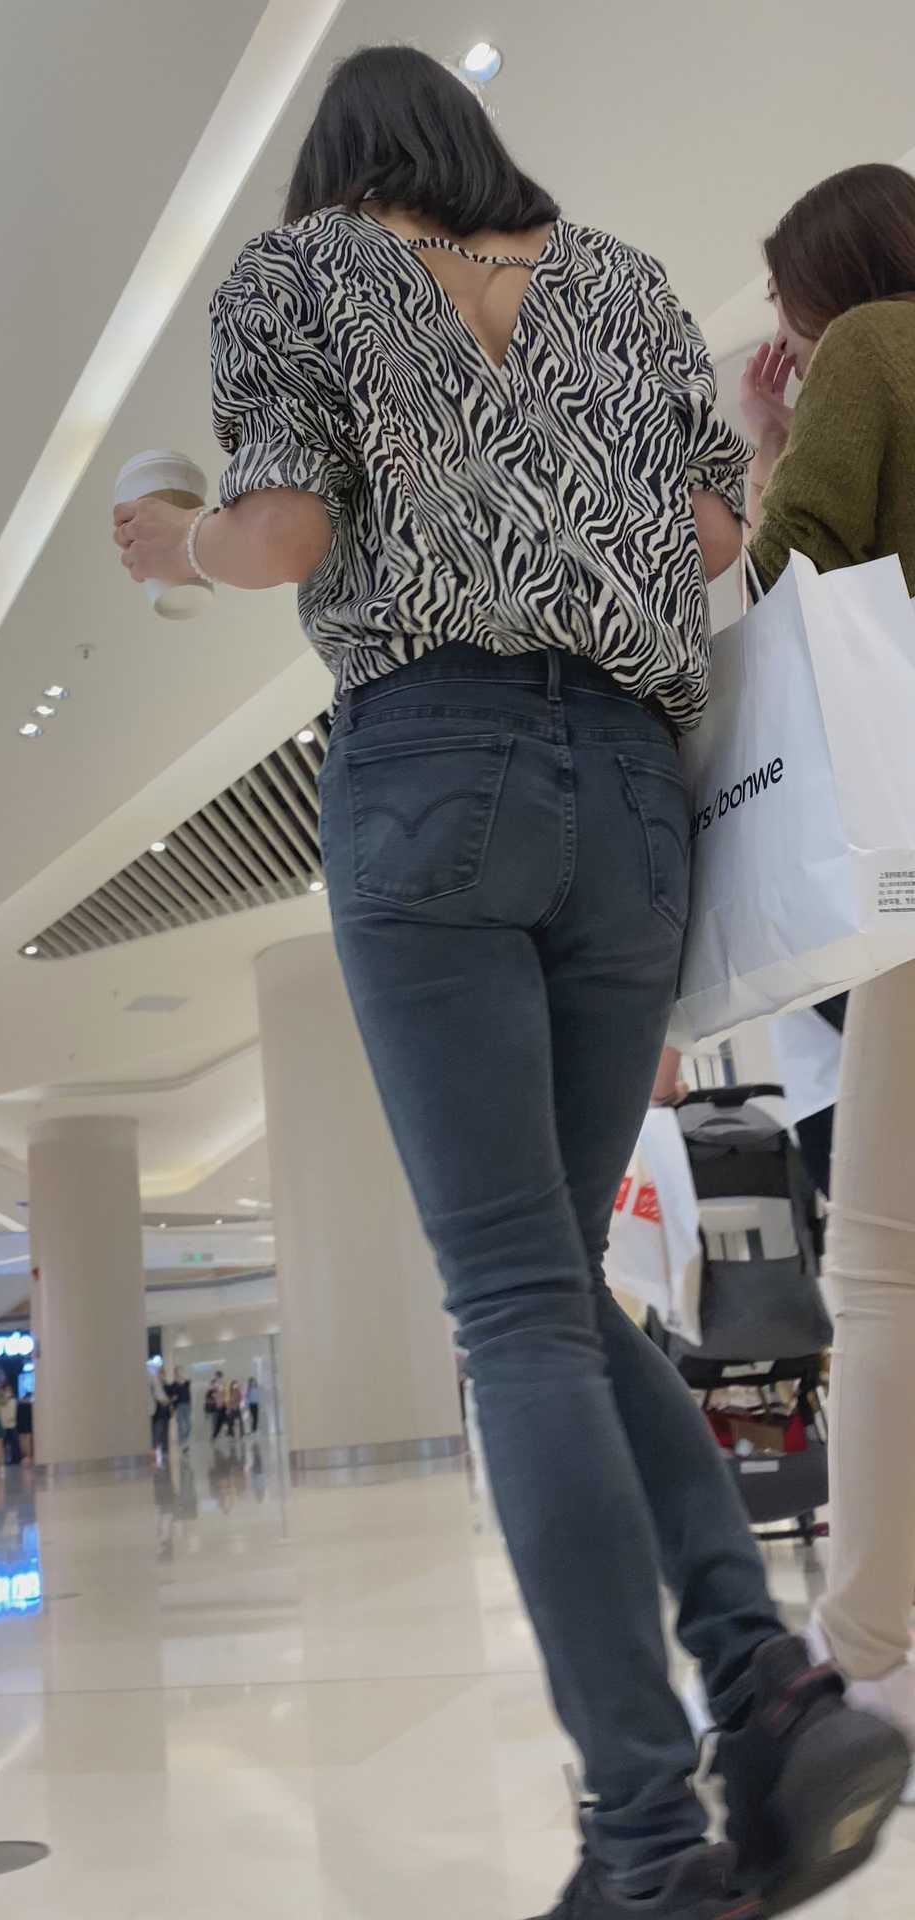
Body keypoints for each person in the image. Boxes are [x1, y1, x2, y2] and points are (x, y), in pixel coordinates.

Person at [113, 50, 908, 1916]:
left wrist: (180, 544)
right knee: (550, 1283)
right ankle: (765, 1690)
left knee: (512, 1314)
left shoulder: (300, 272)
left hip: (431, 775)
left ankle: (645, 1840)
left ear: (335, 168)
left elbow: (290, 530)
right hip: (633, 798)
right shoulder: (623, 282)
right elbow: (714, 539)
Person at [744, 160, 915, 1798]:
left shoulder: (876, 347)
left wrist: (772, 437)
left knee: (881, 1273)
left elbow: (788, 587)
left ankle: (864, 1660)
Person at [148, 1362, 171, 1463]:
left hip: (161, 1411)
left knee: (162, 1432)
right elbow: (160, 1396)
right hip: (157, 1411)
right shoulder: (154, 1379)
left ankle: (163, 1452)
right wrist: (166, 1400)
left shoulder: (165, 1384)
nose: (161, 1375)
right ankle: (156, 1452)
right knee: (157, 1432)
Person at [167, 1370, 192, 1450]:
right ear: (174, 1375)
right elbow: (170, 1396)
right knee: (180, 1425)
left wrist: (182, 1377)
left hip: (187, 1406)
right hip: (178, 1406)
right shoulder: (173, 1385)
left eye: (179, 1374)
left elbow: (188, 1380)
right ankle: (182, 1442)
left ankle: (184, 1439)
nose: (178, 1376)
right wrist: (172, 1399)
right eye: (176, 1374)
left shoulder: (186, 1383)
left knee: (189, 1425)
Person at [0, 1382, 19, 1465]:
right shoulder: (9, 1400)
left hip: (7, 1424)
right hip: (7, 1424)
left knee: (8, 1444)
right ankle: (13, 1459)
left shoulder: (9, 1399)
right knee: (10, 1444)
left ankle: (10, 1459)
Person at [16, 1391, 34, 1464]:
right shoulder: (30, 1405)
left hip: (20, 1426)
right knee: (28, 1441)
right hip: (28, 1425)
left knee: (22, 1441)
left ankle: (24, 1456)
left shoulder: (19, 1404)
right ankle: (28, 1457)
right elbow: (32, 1416)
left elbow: (17, 1416)